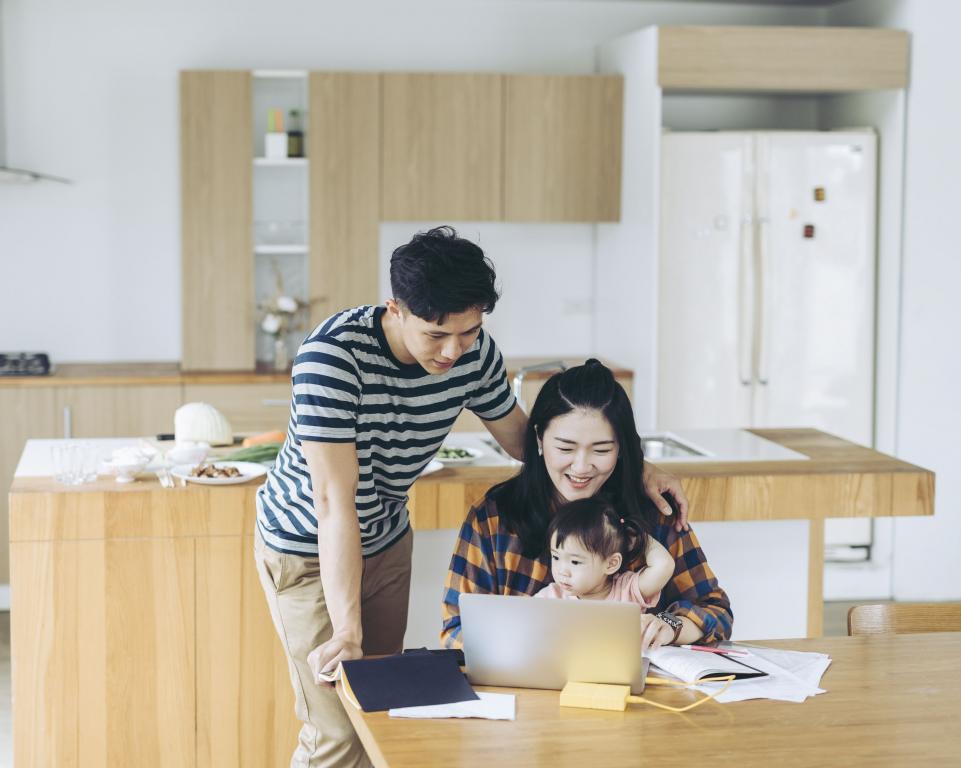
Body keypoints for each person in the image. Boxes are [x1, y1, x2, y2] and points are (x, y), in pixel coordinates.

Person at [254, 227, 691, 768]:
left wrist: (626, 461)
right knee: (337, 734)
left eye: (469, 331)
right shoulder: (333, 359)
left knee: (379, 718)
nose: (453, 351)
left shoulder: (472, 351)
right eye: (437, 334)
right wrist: (348, 630)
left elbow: (523, 440)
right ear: (396, 308)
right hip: (306, 546)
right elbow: (333, 504)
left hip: (386, 538)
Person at [442, 359, 732, 652]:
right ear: (540, 439)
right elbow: (456, 630)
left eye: (602, 449)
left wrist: (671, 626)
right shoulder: (494, 518)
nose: (581, 467)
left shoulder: (654, 512)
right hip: (520, 689)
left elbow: (716, 612)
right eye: (565, 448)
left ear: (621, 448)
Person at [534, 497, 675, 618]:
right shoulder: (551, 597)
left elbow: (664, 565)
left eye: (575, 562)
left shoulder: (627, 590)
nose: (562, 571)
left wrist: (638, 538)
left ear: (611, 564)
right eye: (556, 557)